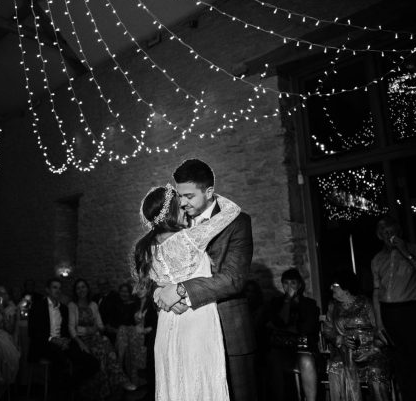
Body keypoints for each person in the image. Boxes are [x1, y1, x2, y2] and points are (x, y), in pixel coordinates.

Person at [153, 158, 256, 401]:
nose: (183, 202)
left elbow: (233, 279)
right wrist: (159, 292)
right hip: (182, 329)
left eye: (189, 196)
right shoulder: (176, 222)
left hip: (227, 327)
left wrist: (180, 290)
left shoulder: (238, 222)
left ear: (209, 192)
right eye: (179, 196)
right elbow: (160, 266)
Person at [134, 182, 242, 400]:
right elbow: (232, 210)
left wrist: (159, 293)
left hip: (166, 327)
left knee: (174, 386)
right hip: (196, 323)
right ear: (169, 212)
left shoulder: (148, 248)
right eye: (181, 204)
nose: (185, 206)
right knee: (200, 385)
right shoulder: (189, 239)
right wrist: (207, 194)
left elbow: (159, 286)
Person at [371, 216, 416, 401]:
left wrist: (405, 252)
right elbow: (377, 292)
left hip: (414, 312)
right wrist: (379, 323)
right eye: (384, 233)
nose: (388, 236)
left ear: (398, 232)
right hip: (391, 314)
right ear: (379, 236)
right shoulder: (377, 259)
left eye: (391, 232)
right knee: (402, 368)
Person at [322, 269, 392, 401]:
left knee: (375, 371)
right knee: (335, 367)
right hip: (345, 354)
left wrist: (373, 350)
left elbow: (380, 329)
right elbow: (327, 330)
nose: (331, 288)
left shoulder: (366, 303)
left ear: (346, 287)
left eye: (335, 285)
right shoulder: (333, 306)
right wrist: (340, 339)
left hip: (371, 353)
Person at [27, 278, 99, 393]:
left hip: (62, 343)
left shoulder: (64, 309)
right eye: (55, 287)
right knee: (60, 359)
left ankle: (68, 386)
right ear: (47, 290)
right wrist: (53, 339)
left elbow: (67, 331)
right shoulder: (38, 306)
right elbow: (33, 332)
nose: (58, 290)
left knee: (92, 362)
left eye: (60, 288)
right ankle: (61, 393)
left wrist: (67, 340)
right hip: (44, 344)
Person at [68, 278, 136, 397]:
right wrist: (80, 342)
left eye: (83, 287)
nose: (81, 290)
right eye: (78, 288)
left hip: (95, 336)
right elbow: (71, 328)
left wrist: (94, 329)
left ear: (88, 289)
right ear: (75, 291)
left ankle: (120, 379)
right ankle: (102, 389)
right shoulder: (72, 305)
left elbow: (100, 325)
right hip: (81, 339)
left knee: (107, 344)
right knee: (100, 352)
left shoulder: (93, 304)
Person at [263, 268, 319, 401]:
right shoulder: (276, 303)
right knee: (272, 358)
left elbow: (307, 328)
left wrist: (285, 328)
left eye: (292, 283)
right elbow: (279, 322)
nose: (289, 287)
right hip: (282, 348)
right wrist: (287, 302)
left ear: (299, 285)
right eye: (286, 283)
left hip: (303, 347)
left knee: (306, 359)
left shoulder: (309, 304)